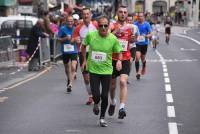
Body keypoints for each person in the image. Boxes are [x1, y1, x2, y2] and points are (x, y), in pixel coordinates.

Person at [81, 15, 122, 127]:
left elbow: (119, 52)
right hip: (93, 70)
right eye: (101, 25)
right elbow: (83, 46)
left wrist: (119, 61)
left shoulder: (113, 39)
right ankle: (96, 103)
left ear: (109, 26)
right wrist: (84, 60)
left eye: (105, 25)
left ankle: (102, 117)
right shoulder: (91, 35)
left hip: (107, 71)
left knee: (104, 96)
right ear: (97, 26)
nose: (103, 28)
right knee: (96, 95)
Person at [108, 5, 135, 119]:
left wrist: (133, 39)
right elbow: (106, 38)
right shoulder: (111, 25)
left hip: (125, 58)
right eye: (120, 12)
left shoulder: (131, 27)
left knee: (123, 82)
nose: (123, 14)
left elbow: (132, 40)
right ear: (117, 13)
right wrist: (115, 31)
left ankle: (122, 108)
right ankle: (113, 102)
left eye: (125, 12)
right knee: (112, 86)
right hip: (113, 59)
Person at [72, 7, 97, 105]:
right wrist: (75, 40)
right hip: (83, 53)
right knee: (86, 78)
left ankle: (96, 95)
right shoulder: (78, 27)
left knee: (94, 76)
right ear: (82, 16)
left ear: (91, 15)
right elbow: (72, 40)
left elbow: (105, 34)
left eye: (88, 14)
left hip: (95, 53)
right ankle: (91, 95)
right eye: (84, 14)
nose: (86, 16)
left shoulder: (95, 25)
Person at [58, 15, 78, 93]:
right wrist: (65, 38)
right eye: (68, 21)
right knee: (67, 68)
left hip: (74, 50)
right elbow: (58, 39)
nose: (70, 22)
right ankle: (69, 79)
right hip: (65, 51)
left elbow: (78, 38)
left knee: (73, 67)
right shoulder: (62, 29)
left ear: (73, 22)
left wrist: (75, 40)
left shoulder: (76, 29)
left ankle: (70, 84)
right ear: (66, 22)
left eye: (71, 21)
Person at [134, 12, 152, 80]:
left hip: (144, 44)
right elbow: (132, 32)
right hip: (137, 43)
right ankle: (137, 72)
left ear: (143, 17)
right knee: (137, 57)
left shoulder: (147, 24)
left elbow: (151, 34)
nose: (140, 17)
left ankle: (144, 67)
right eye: (139, 16)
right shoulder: (135, 24)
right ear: (137, 17)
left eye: (141, 16)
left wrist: (146, 36)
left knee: (143, 58)